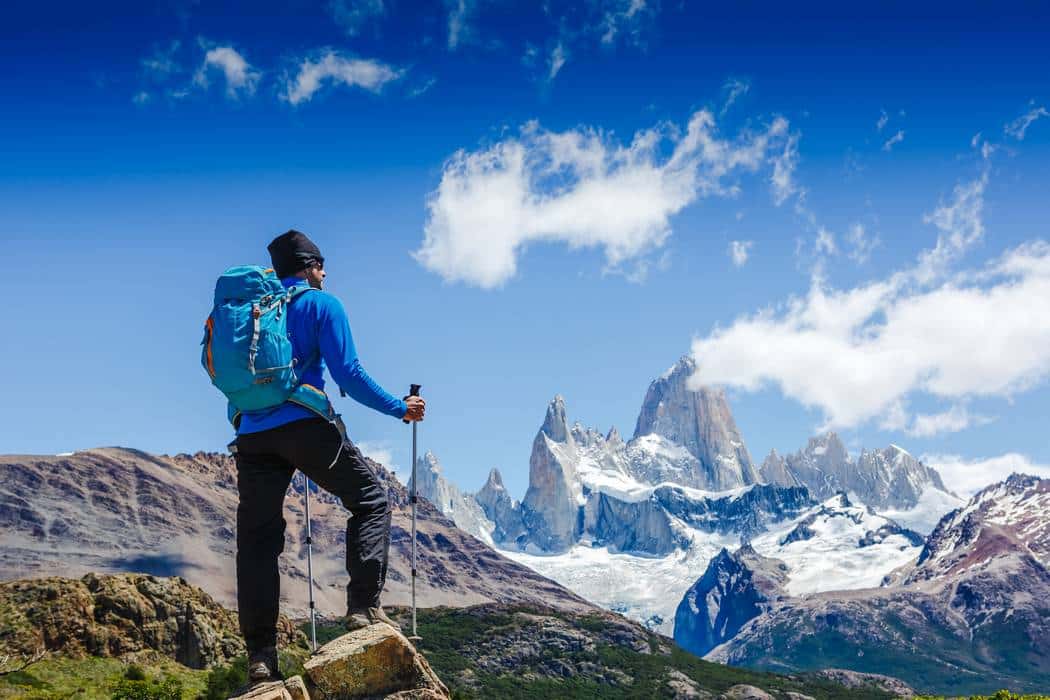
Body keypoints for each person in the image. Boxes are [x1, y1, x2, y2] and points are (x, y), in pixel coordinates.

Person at [230, 229, 425, 683]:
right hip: (305, 425)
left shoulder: (251, 313)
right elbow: (349, 374)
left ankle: (261, 656)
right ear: (309, 267)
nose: (325, 272)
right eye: (321, 264)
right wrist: (401, 408)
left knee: (257, 542)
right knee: (371, 499)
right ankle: (362, 609)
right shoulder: (322, 305)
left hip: (253, 434)